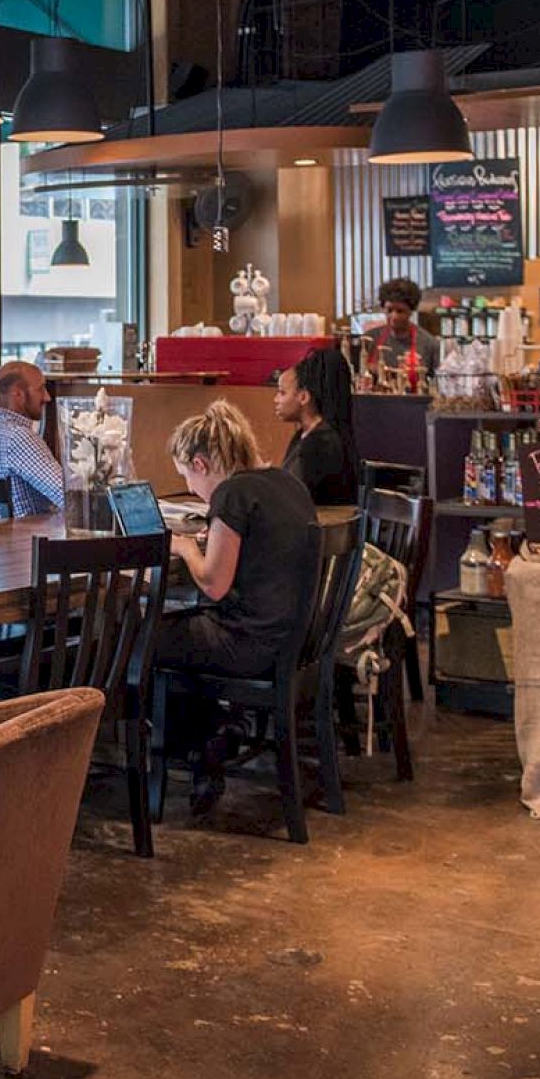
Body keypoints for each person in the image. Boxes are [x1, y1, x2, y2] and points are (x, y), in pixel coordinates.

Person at [158, 400, 319, 810]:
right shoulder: (285, 483)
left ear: (201, 463)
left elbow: (213, 584)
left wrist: (184, 549)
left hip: (246, 644)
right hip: (289, 641)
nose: (192, 489)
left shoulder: (232, 494)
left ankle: (197, 745)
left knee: (141, 636)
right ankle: (214, 731)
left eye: (188, 477)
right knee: (174, 637)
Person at [0, 360, 65, 516]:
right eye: (40, 389)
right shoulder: (19, 437)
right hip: (31, 537)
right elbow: (68, 497)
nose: (47, 397)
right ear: (18, 393)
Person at [275, 347, 360, 505]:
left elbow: (291, 498)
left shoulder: (321, 444)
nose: (276, 400)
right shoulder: (306, 435)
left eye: (282, 393)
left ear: (304, 397)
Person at [368, 277, 441, 382]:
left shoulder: (429, 344)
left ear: (411, 311)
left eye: (400, 311)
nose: (394, 316)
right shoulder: (369, 339)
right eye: (389, 310)